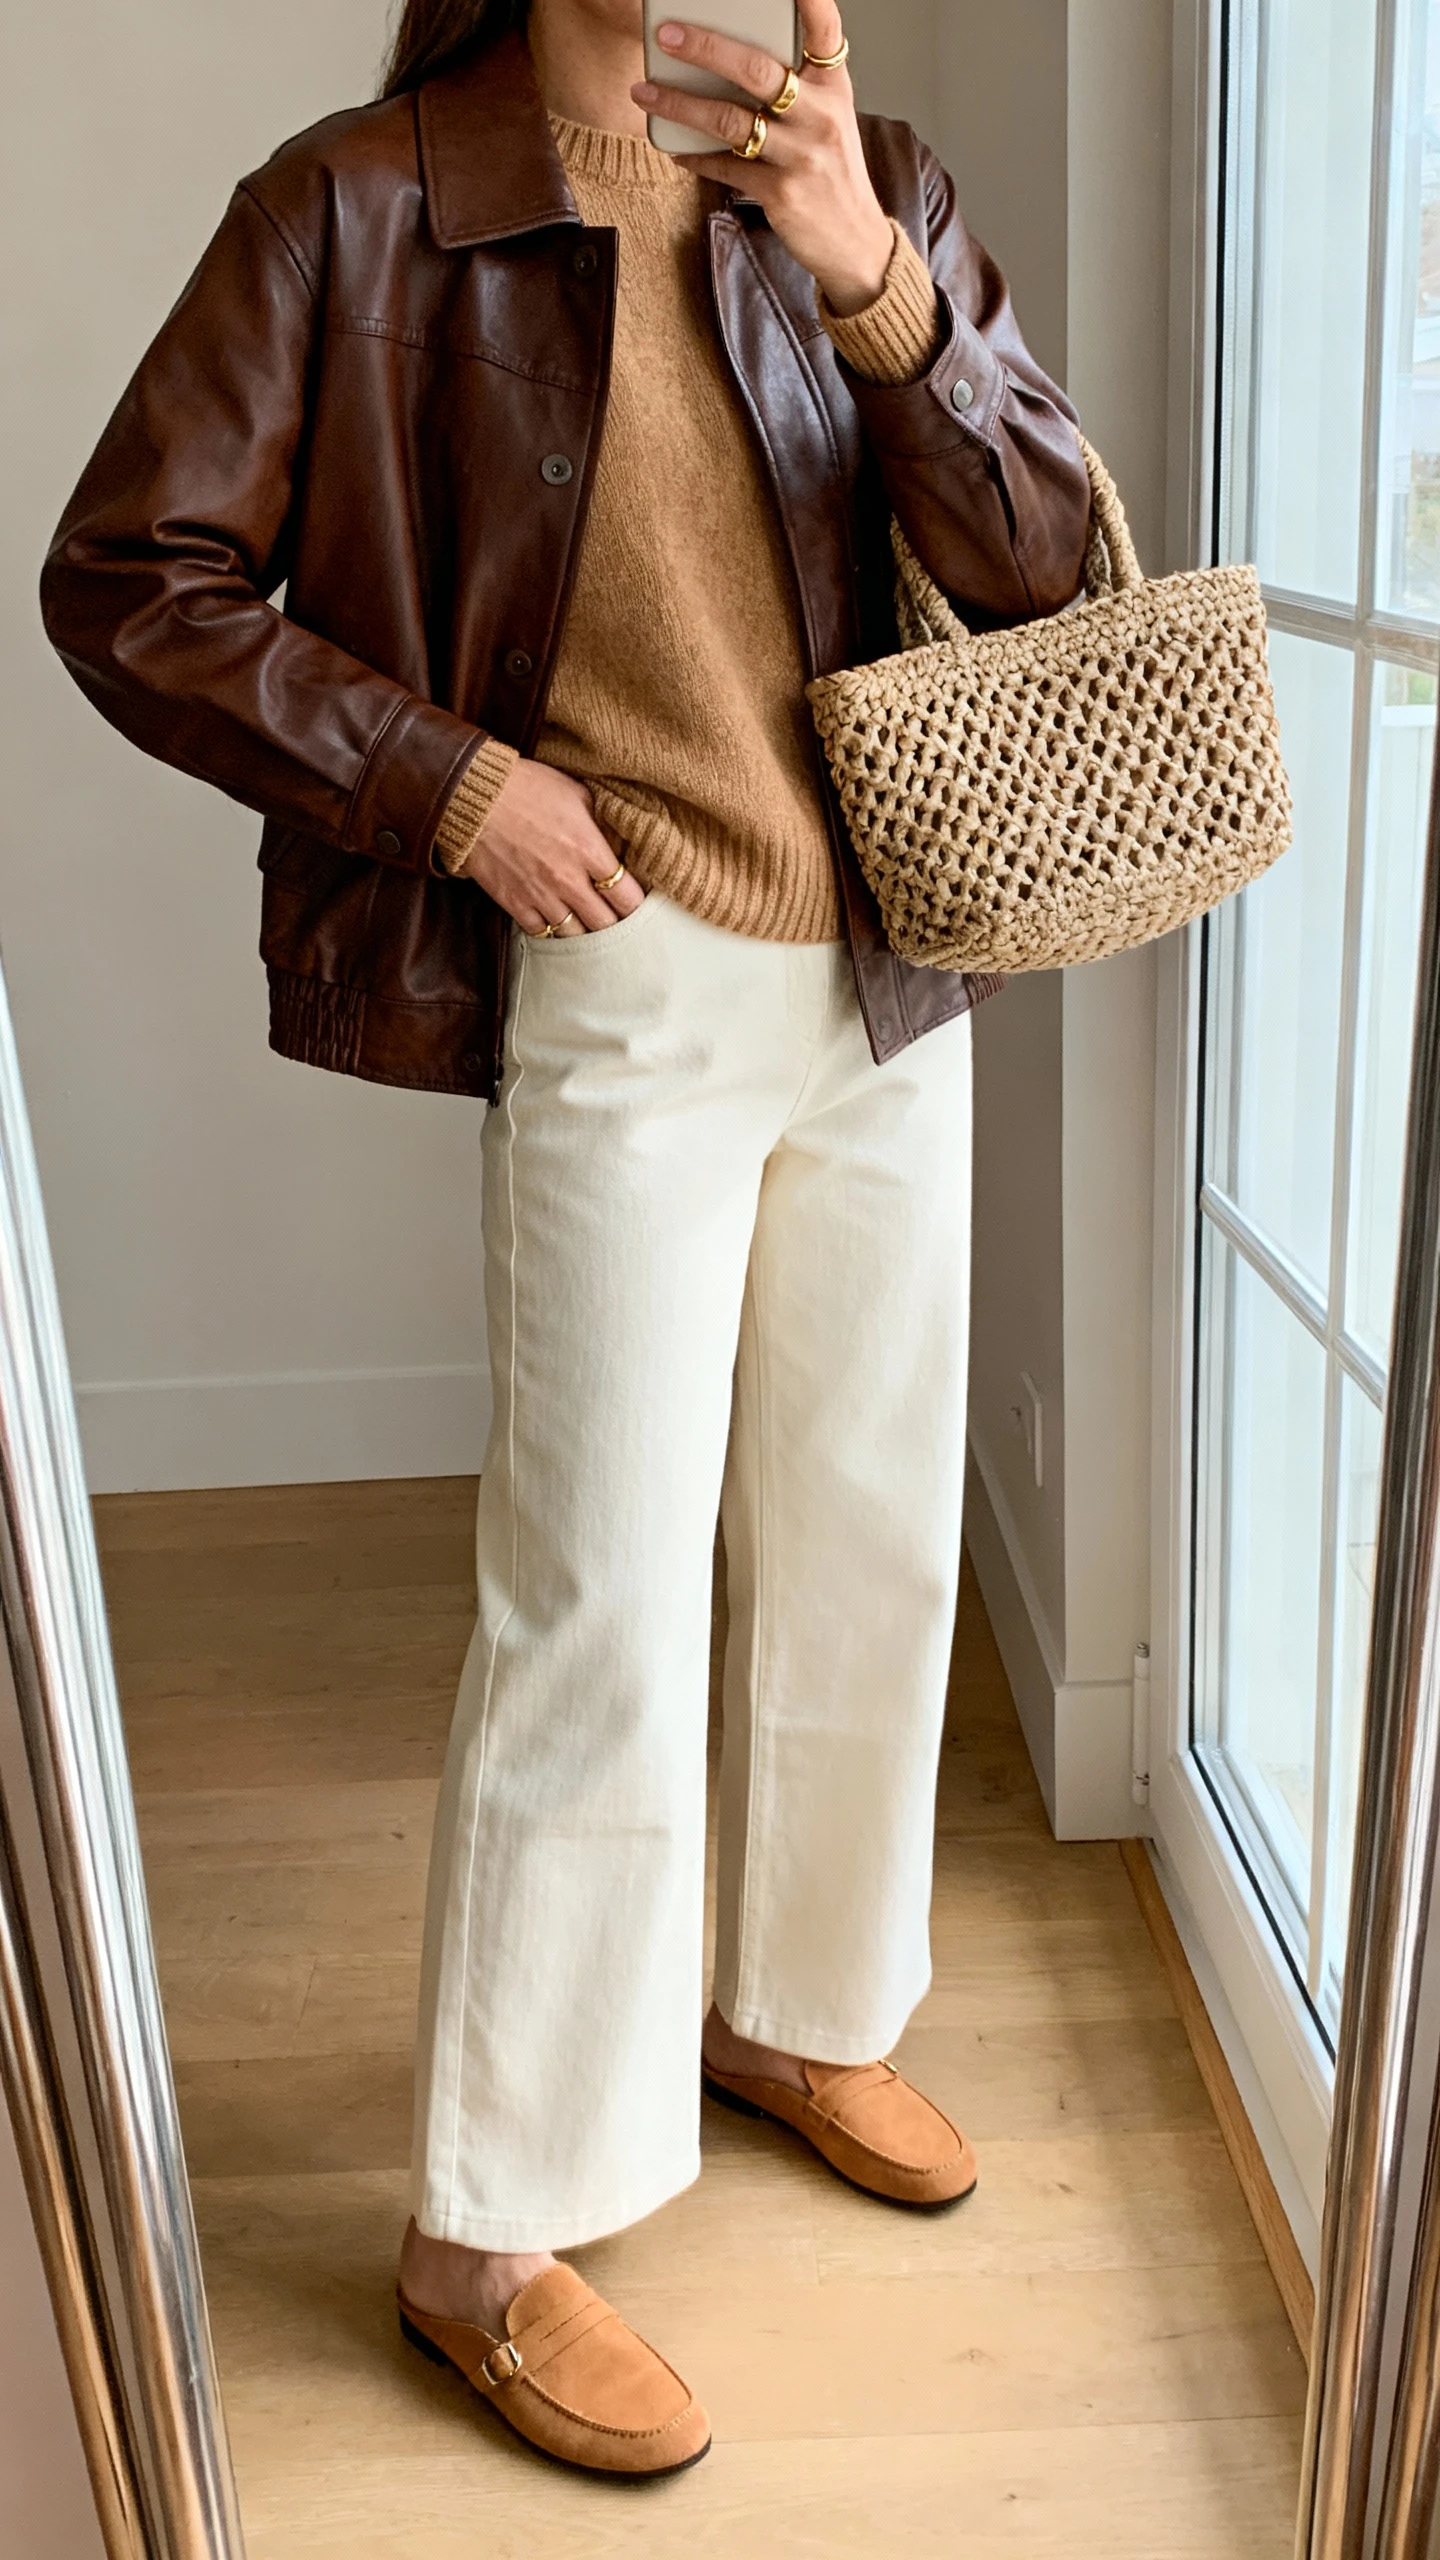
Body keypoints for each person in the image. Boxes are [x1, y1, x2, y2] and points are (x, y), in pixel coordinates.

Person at [42, 0, 1089, 2483]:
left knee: (867, 1539)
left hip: (889, 962)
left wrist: (870, 278)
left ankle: (805, 2008)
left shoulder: (873, 168)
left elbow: (1040, 561)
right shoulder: (364, 196)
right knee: (595, 1589)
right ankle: (487, 2232)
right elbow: (133, 572)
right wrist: (447, 782)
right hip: (625, 955)